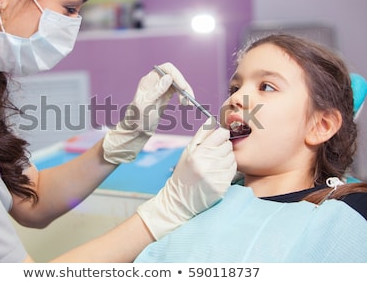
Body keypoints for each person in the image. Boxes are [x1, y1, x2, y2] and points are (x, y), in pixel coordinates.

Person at [0, 0, 237, 262]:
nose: (73, 26)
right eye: (70, 8)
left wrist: (127, 136)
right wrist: (167, 211)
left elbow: (33, 200)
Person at [135, 34, 367, 263]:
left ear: (321, 126)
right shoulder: (193, 198)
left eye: (266, 87)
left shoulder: (350, 214)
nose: (236, 98)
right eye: (234, 88)